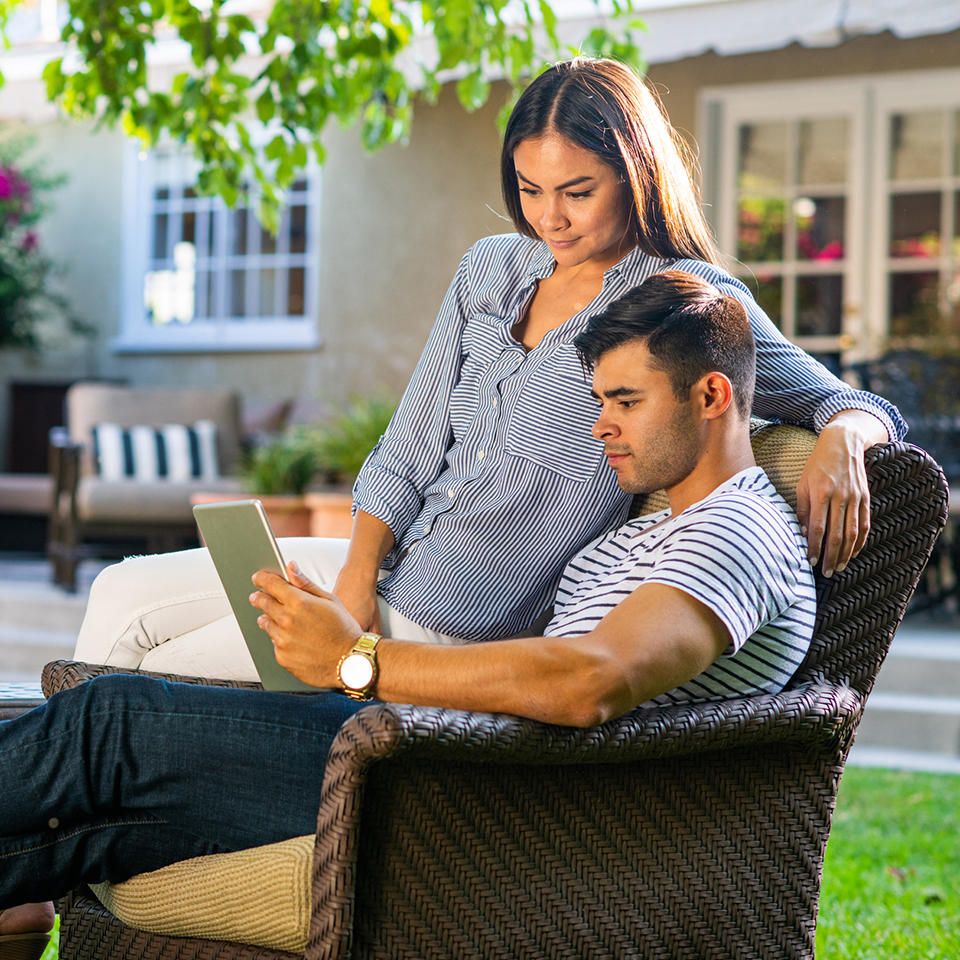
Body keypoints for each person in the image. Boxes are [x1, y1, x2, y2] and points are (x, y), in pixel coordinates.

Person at [1, 271, 816, 950]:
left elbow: (590, 682)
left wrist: (356, 660)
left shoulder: (734, 531)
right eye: (600, 399)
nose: (601, 426)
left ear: (712, 395)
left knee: (106, 720)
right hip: (426, 757)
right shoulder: (648, 526)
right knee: (96, 828)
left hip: (449, 795)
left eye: (625, 402)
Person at [73, 56, 900, 681]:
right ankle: (45, 877)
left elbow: (852, 402)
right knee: (118, 593)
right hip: (382, 575)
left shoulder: (677, 302)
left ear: (635, 174)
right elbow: (409, 444)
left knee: (154, 671)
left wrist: (841, 438)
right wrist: (356, 583)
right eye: (529, 187)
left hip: (454, 625)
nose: (551, 217)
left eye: (577, 190)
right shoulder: (490, 269)